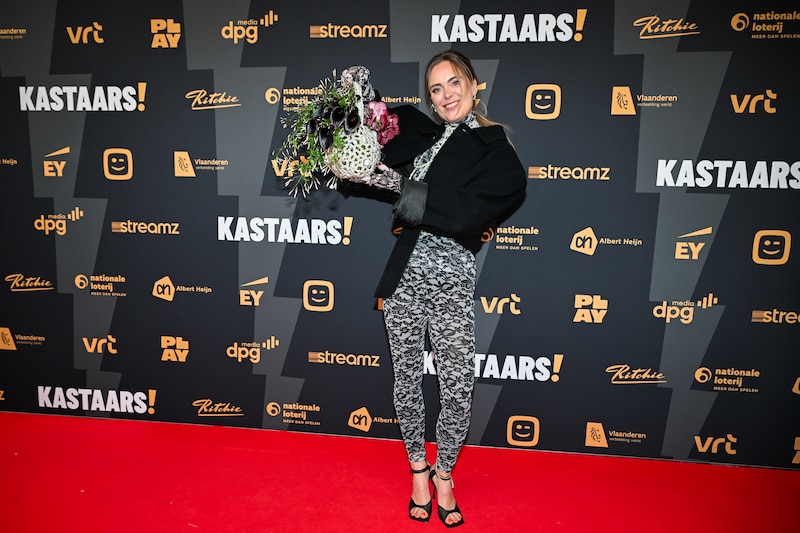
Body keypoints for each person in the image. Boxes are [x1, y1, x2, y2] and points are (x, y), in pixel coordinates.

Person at [368, 50, 527, 527]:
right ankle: (418, 470)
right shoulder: (420, 134)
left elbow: (467, 213)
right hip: (404, 276)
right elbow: (380, 159)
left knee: (457, 387)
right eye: (436, 89)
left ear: (474, 85)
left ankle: (445, 474)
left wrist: (406, 193)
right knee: (406, 380)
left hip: (451, 278)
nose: (446, 95)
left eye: (454, 82)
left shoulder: (495, 150)